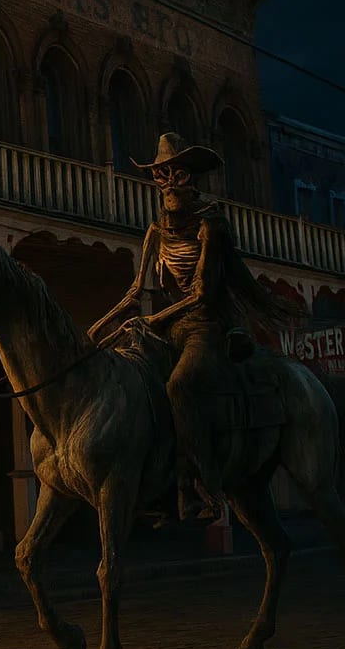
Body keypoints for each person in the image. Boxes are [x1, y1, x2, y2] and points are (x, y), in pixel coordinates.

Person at [92, 132, 304, 520]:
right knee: (137, 385)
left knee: (179, 386)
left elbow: (202, 293)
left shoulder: (211, 225)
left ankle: (203, 483)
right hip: (169, 329)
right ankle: (153, 480)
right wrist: (98, 329)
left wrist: (153, 318)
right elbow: (137, 289)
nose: (168, 184)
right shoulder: (155, 231)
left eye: (175, 175)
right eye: (161, 175)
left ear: (189, 178)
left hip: (204, 327)